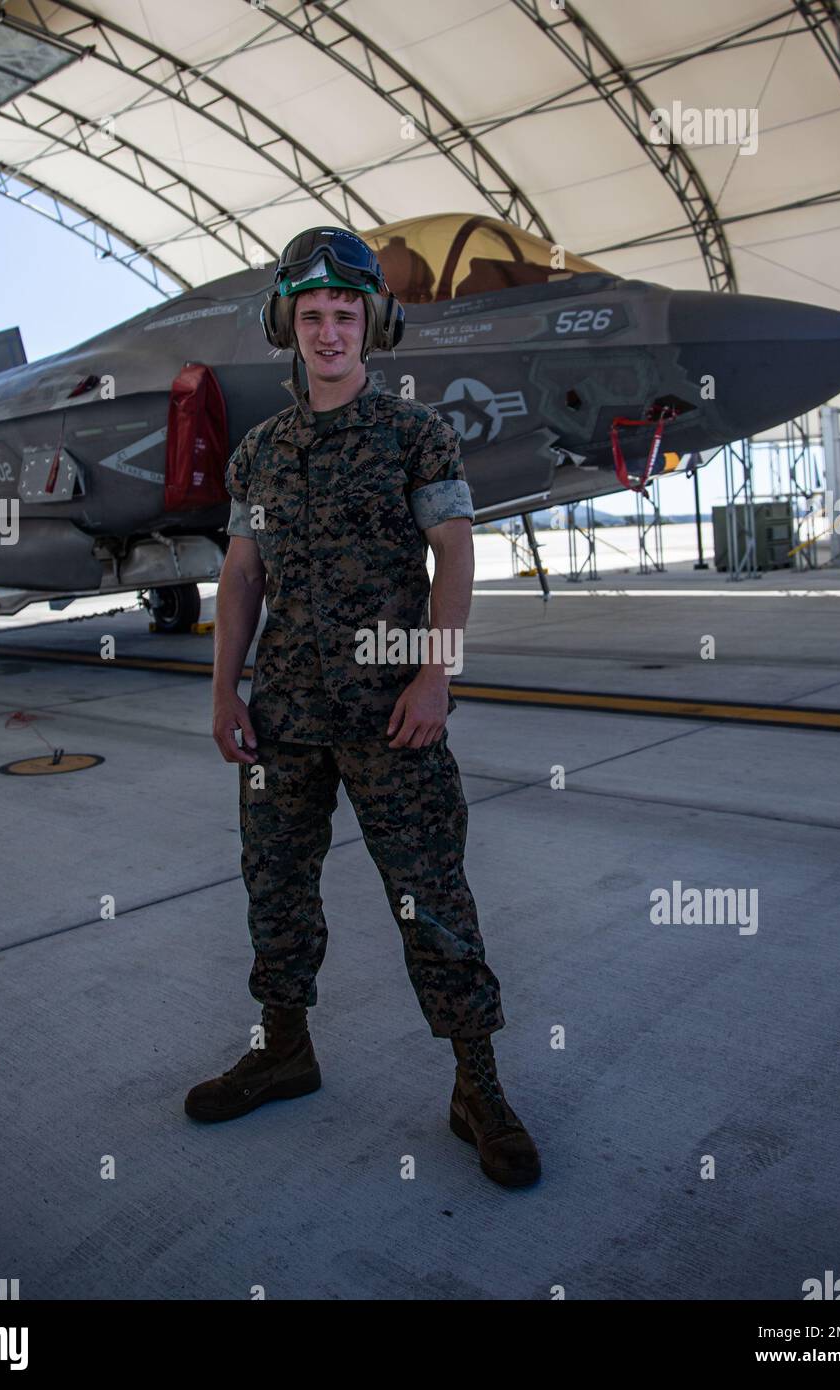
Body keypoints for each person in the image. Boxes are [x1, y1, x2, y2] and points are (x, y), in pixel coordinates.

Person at [184, 227, 540, 1187]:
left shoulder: (416, 434)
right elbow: (243, 571)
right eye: (312, 318)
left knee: (434, 902)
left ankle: (477, 1086)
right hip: (283, 716)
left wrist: (437, 673)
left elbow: (456, 554)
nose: (329, 333)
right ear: (287, 327)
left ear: (370, 326)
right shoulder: (259, 454)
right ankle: (284, 1049)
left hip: (394, 715)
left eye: (344, 316)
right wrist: (224, 685)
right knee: (275, 890)